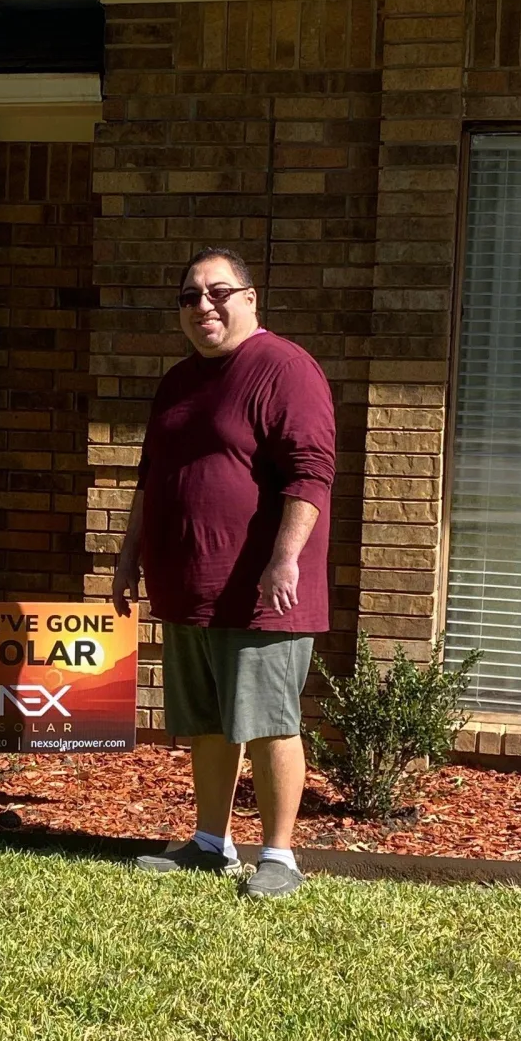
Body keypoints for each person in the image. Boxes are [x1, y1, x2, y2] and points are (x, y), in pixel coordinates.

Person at [112, 247, 336, 900]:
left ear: (250, 298)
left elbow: (311, 474)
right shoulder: (179, 380)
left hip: (261, 592)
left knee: (269, 722)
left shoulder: (284, 368)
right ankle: (211, 842)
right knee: (207, 721)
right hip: (190, 588)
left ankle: (280, 856)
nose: (203, 306)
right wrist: (128, 557)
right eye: (190, 297)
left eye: (218, 292)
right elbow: (150, 478)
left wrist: (284, 559)